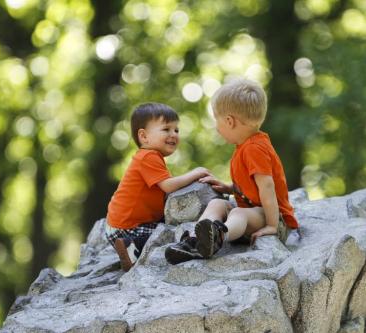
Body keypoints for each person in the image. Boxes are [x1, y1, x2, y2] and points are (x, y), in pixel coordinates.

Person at [165, 79, 299, 264]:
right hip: (253, 213)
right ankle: (197, 240)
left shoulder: (255, 148)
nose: (216, 127)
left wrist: (272, 225)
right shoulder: (244, 146)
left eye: (216, 121)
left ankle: (219, 237)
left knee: (238, 214)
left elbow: (267, 187)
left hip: (275, 218)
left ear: (229, 121)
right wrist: (229, 188)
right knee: (217, 205)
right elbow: (251, 187)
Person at [105, 102, 211, 271]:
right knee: (167, 233)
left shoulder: (150, 157)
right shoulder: (148, 157)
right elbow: (168, 186)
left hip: (123, 224)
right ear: (144, 136)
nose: (173, 134)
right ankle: (131, 247)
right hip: (127, 227)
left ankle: (133, 247)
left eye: (176, 130)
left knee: (165, 227)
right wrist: (195, 173)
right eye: (166, 129)